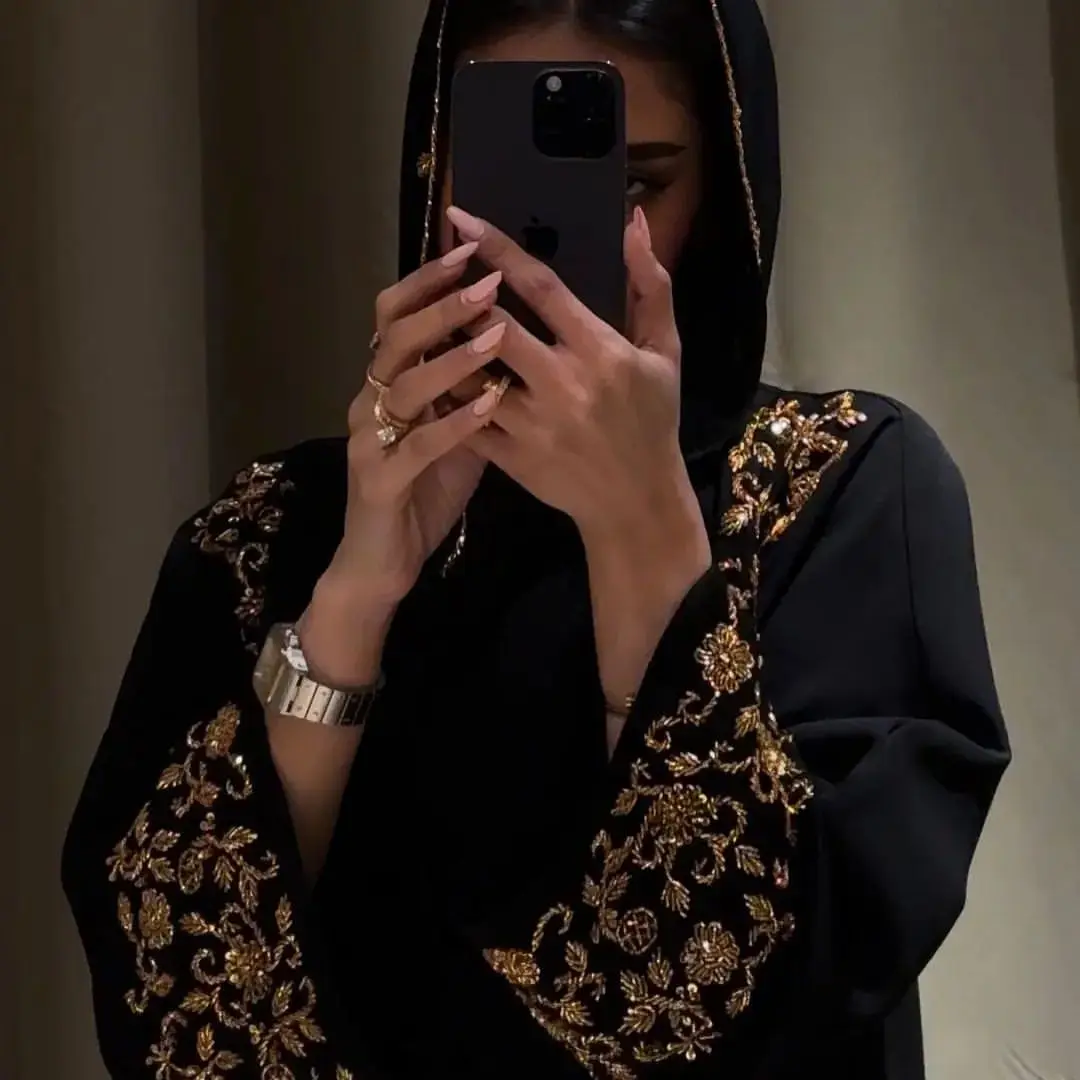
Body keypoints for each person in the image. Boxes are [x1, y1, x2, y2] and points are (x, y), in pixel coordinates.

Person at [61, 1, 1011, 1078]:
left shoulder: (839, 490)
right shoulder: (273, 530)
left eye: (637, 186)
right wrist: (356, 596)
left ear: (728, 187)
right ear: (434, 176)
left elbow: (789, 993)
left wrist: (645, 535)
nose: (561, 244)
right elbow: (169, 1013)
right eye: (505, 188)